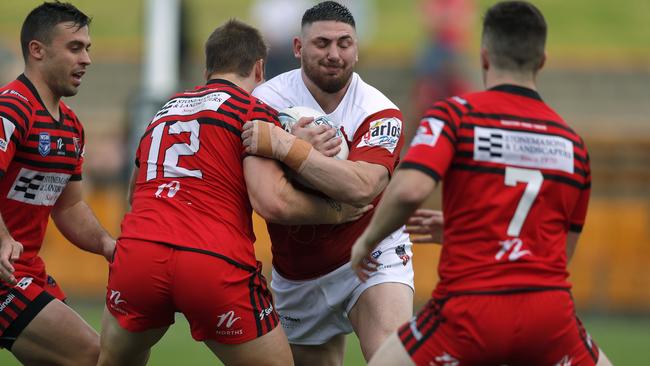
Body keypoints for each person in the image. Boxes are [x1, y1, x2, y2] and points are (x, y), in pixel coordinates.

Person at [349, 2, 613, 365]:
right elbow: (558, 253)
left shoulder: (455, 115)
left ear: (484, 57)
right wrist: (472, 232)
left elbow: (410, 190)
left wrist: (367, 240)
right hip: (549, 314)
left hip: (468, 308)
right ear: (542, 61)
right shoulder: (572, 145)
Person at [97, 19, 370, 366]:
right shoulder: (253, 112)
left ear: (207, 67)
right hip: (211, 259)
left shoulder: (162, 114)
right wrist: (339, 211)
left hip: (140, 253)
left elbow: (135, 192)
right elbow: (274, 201)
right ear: (259, 69)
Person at [244, 2, 414, 364]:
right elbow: (269, 200)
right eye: (321, 43)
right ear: (298, 48)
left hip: (372, 253)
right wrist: (299, 151)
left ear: (356, 48)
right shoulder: (266, 101)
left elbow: (363, 187)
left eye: (344, 43)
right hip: (298, 271)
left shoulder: (379, 111)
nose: (334, 54)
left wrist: (288, 149)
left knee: (393, 359)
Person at [0, 2, 116, 365]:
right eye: (75, 47)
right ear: (37, 50)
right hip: (5, 275)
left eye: (88, 48)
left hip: (26, 271)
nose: (87, 59)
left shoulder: (70, 126)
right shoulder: (11, 108)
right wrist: (2, 238)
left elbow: (68, 206)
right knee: (93, 355)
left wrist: (107, 245)